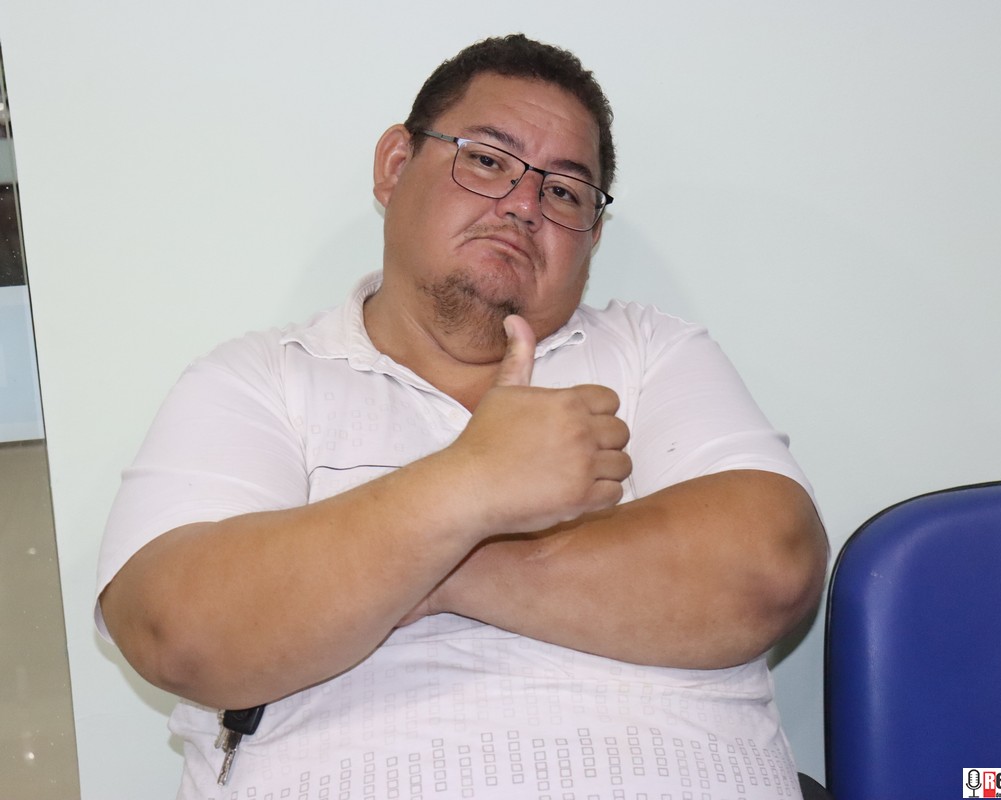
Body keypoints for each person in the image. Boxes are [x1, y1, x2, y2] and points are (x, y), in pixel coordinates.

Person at [96, 33, 828, 800]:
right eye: (486, 160)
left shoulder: (653, 354)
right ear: (394, 165)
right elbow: (175, 631)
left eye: (563, 192)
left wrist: (426, 568)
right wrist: (470, 483)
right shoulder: (260, 380)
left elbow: (770, 568)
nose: (522, 204)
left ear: (592, 234)